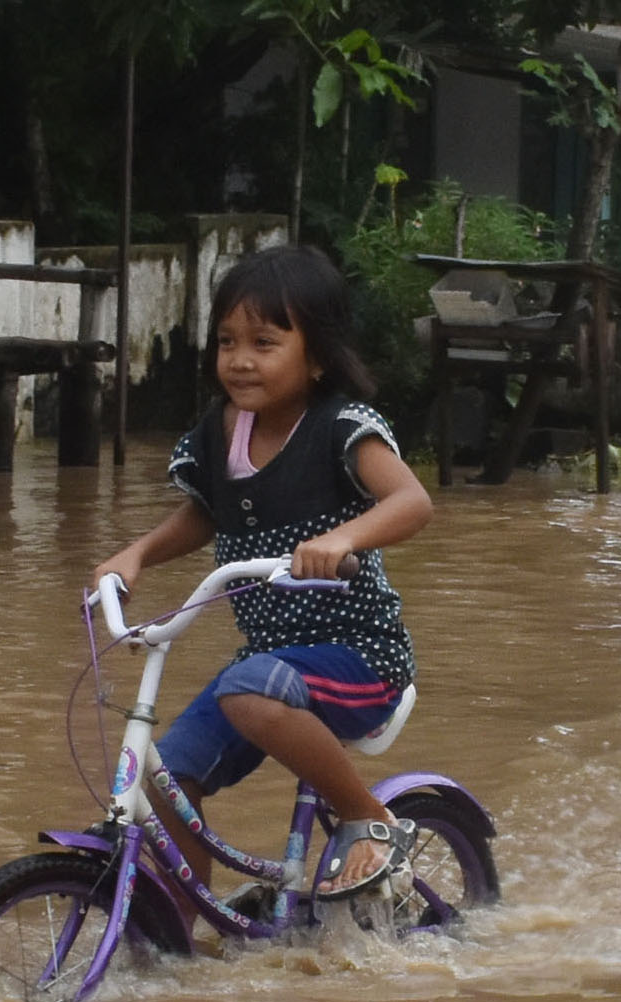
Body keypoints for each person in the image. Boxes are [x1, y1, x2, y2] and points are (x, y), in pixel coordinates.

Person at [88, 246, 434, 896]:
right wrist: (137, 553)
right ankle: (180, 940)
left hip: (360, 659)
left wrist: (341, 536)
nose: (241, 359)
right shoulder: (221, 433)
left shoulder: (339, 429)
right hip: (268, 660)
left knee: (248, 688)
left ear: (318, 354)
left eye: (265, 342)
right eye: (227, 341)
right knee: (165, 774)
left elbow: (413, 503)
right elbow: (204, 516)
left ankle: (370, 818)